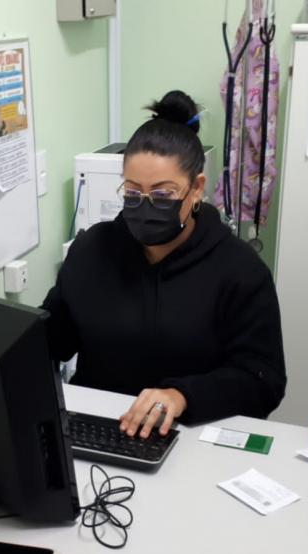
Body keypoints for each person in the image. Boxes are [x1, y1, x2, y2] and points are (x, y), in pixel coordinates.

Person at [42, 90, 286, 439]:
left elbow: (264, 381)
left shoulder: (240, 271)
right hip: (98, 427)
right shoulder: (92, 250)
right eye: (132, 193)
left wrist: (182, 395)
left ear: (197, 188)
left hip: (191, 433)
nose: (145, 206)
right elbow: (51, 339)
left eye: (161, 195)